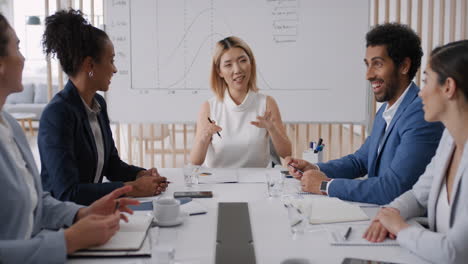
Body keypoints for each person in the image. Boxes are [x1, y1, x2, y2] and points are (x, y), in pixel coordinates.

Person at [0, 13, 140, 263]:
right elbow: (63, 192)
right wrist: (69, 239)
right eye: (17, 48)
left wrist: (81, 214)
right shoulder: (56, 114)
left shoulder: (10, 126)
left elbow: (37, 200)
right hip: (51, 244)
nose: (22, 58)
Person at [287, 23, 444, 205]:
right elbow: (360, 161)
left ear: (404, 66)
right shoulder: (386, 110)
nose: (368, 75)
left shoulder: (420, 114)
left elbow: (393, 188)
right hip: (377, 213)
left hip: (402, 221)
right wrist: (313, 168)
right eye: (367, 65)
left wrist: (325, 185)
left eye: (377, 64)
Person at [39, 9, 167, 205]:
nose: (115, 69)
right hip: (65, 225)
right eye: (111, 60)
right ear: (90, 65)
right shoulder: (57, 115)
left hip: (94, 214)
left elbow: (111, 165)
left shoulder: (98, 104)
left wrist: (140, 174)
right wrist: (132, 189)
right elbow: (67, 193)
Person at [363, 40, 468, 264]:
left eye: (426, 81)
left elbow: (454, 253)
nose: (420, 93)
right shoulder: (450, 139)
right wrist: (389, 214)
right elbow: (419, 194)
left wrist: (399, 227)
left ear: (448, 87)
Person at [190, 36, 291, 168]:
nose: (237, 70)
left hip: (258, 184)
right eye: (228, 65)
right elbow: (195, 161)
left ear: (251, 63)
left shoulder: (266, 102)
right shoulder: (209, 107)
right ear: (219, 71)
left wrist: (272, 129)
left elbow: (287, 153)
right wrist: (204, 137)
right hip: (218, 184)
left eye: (242, 61)